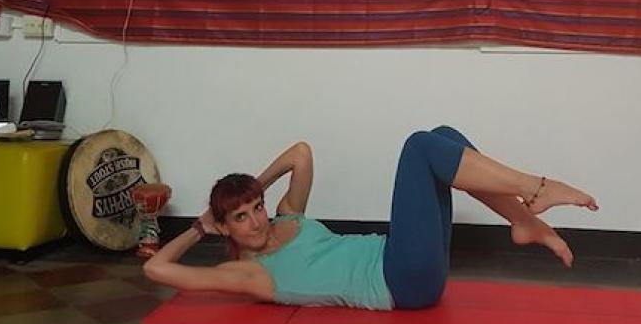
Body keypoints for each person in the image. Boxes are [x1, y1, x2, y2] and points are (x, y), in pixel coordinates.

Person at [143, 126, 598, 310]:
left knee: (442, 137)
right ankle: (535, 188)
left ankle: (523, 221)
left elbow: (300, 153)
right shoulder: (247, 274)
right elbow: (156, 269)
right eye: (241, 218)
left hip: (405, 259)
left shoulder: (287, 217)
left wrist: (249, 189)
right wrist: (201, 226)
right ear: (225, 228)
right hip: (402, 282)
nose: (257, 221)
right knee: (419, 147)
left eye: (256, 208)